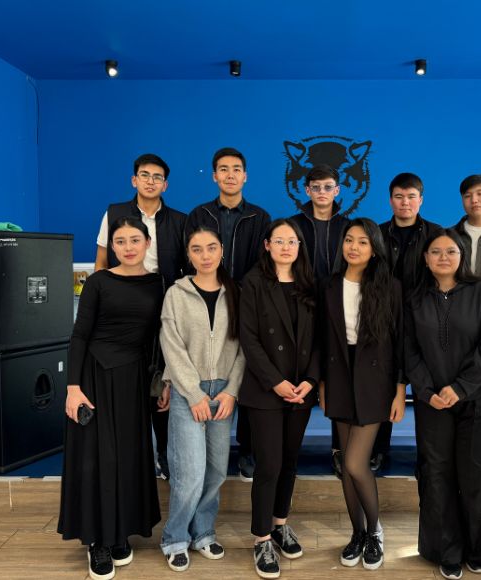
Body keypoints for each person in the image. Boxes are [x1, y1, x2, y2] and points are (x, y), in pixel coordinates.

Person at [58, 216, 163, 580]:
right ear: (111, 246)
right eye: (120, 241)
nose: (128, 247)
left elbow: (159, 338)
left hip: (134, 379)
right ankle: (97, 541)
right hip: (94, 376)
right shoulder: (98, 282)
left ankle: (120, 532)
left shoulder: (158, 283)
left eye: (135, 239)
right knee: (95, 458)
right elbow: (79, 335)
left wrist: (161, 382)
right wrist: (73, 387)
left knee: (128, 456)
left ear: (148, 243)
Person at [404, 228, 481, 579]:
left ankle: (479, 550)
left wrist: (460, 388)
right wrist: (426, 390)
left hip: (479, 401)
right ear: (425, 258)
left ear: (463, 256)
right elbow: (409, 351)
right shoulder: (415, 299)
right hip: (432, 402)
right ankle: (445, 551)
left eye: (451, 251)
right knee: (437, 476)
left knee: (477, 476)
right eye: (435, 251)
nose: (443, 257)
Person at [156, 227, 245, 573]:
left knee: (217, 469)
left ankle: (203, 532)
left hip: (223, 390)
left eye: (211, 247)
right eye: (197, 249)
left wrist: (231, 390)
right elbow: (171, 345)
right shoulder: (176, 294)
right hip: (187, 390)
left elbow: (244, 347)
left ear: (221, 250)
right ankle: (175, 538)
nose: (205, 255)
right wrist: (192, 393)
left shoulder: (235, 292)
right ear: (188, 255)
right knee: (189, 471)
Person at [319, 218, 406, 571]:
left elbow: (400, 343)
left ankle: (374, 531)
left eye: (362, 242)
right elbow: (322, 340)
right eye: (349, 240)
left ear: (374, 249)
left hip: (375, 380)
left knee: (356, 462)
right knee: (346, 466)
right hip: (339, 377)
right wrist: (322, 385)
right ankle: (356, 534)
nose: (354, 247)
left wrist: (399, 390)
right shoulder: (328, 285)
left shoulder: (390, 286)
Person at [94, 153, 187, 481]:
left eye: (157, 177)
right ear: (134, 180)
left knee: (161, 379)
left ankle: (164, 454)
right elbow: (101, 261)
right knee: (126, 380)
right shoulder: (115, 213)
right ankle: (130, 459)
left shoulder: (179, 220)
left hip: (163, 305)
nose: (150, 181)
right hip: (122, 305)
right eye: (144, 175)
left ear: (165, 184)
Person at [239, 219, 320, 579]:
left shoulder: (309, 283)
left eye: (292, 241)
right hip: (265, 389)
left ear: (300, 247)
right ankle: (261, 539)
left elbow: (320, 338)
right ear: (267, 245)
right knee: (269, 464)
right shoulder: (253, 282)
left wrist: (311, 380)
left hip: (301, 389)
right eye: (280, 241)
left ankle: (279, 524)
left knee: (289, 461)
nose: (286, 247)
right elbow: (248, 338)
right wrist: (275, 382)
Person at [186, 147, 271, 482]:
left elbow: (264, 265)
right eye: (224, 169)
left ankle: (247, 450)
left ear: (245, 176)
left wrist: (241, 292)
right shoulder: (200, 214)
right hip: (206, 302)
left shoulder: (260, 217)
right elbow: (189, 257)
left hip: (247, 303)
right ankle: (202, 447)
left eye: (237, 169)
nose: (230, 174)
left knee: (246, 373)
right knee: (207, 369)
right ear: (214, 176)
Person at [374, 172, 442, 473]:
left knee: (428, 387)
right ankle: (378, 449)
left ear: (421, 200)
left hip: (425, 321)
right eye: (399, 196)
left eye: (411, 196)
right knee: (384, 385)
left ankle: (429, 455)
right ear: (390, 200)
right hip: (384, 321)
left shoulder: (437, 235)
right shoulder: (377, 234)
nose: (405, 202)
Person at [289, 164, 349, 478]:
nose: (322, 192)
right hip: (301, 310)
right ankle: (287, 448)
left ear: (337, 191)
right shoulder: (294, 226)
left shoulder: (348, 227)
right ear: (307, 190)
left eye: (328, 187)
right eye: (316, 187)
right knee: (297, 374)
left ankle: (340, 449)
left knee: (339, 380)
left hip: (340, 312)